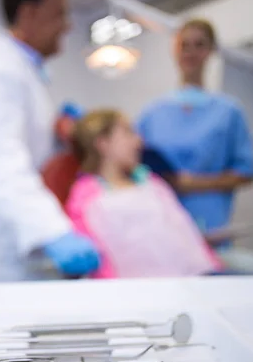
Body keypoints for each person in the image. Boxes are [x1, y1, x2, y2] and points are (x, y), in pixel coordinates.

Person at [0, 0, 100, 282]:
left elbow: (26, 151)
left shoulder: (25, 73)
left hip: (29, 248)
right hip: (12, 256)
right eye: (60, 14)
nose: (68, 26)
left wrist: (60, 134)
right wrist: (54, 233)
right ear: (28, 13)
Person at [137, 19, 253, 243]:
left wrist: (194, 183)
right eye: (185, 45)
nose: (191, 52)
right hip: (160, 224)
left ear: (211, 51)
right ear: (175, 50)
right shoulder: (152, 112)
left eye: (199, 45)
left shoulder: (229, 111)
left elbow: (246, 172)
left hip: (210, 224)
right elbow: (133, 166)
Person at [65, 109, 223, 278]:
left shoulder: (152, 183)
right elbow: (98, 264)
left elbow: (188, 235)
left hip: (193, 283)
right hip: (135, 296)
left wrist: (213, 269)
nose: (139, 141)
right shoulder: (85, 198)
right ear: (103, 143)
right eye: (128, 133)